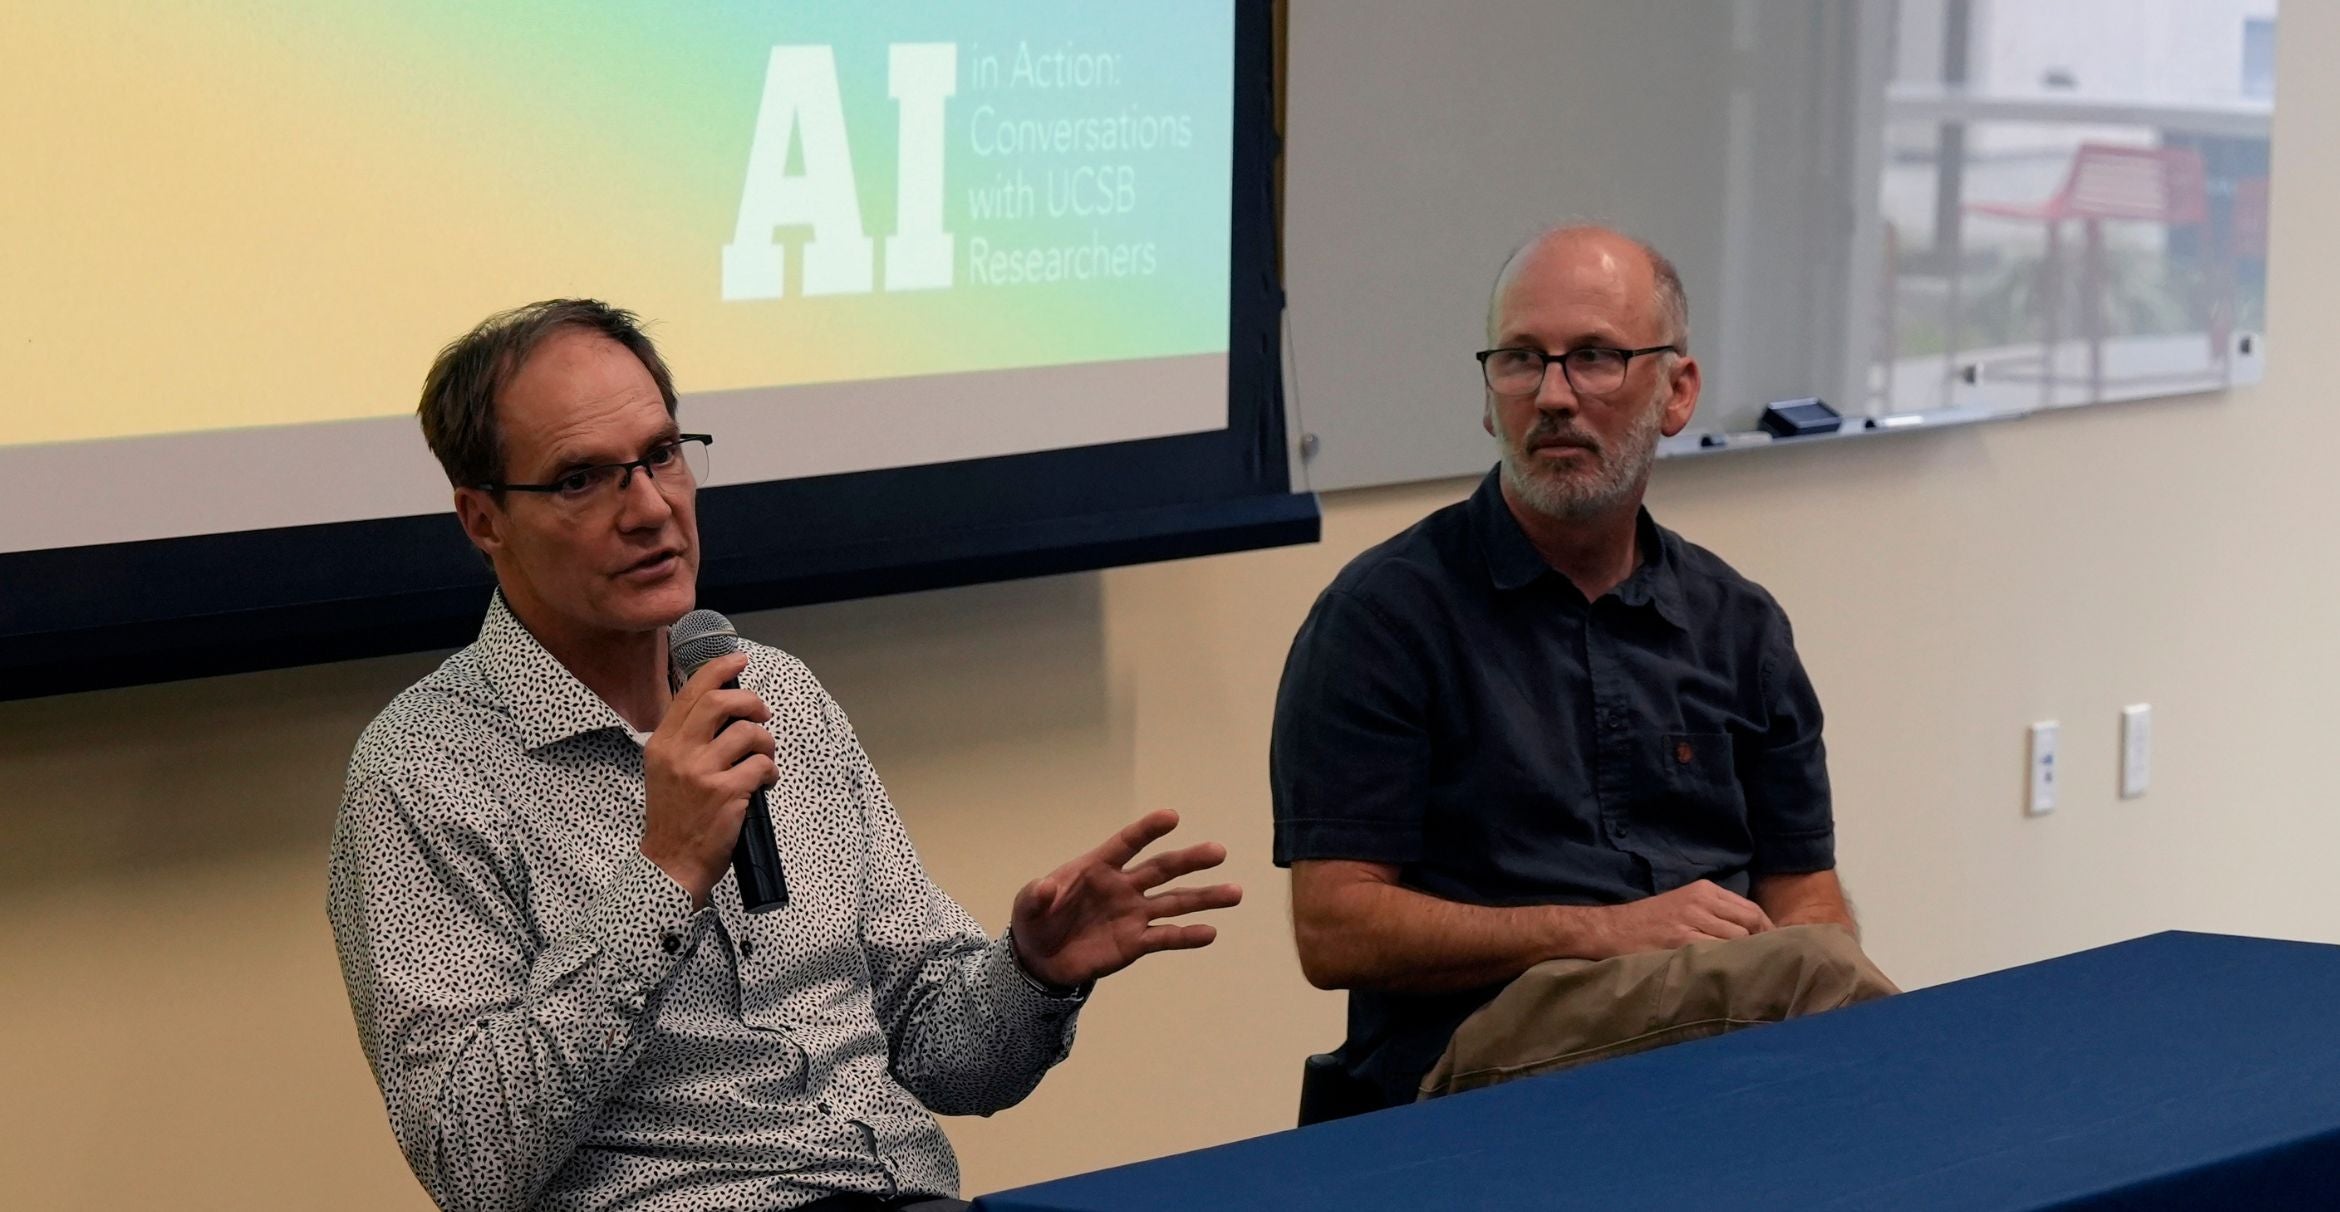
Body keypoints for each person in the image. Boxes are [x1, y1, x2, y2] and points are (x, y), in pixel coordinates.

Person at [328, 299, 1240, 1212]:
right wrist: (666, 875)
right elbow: (471, 1161)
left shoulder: (779, 694)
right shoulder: (421, 772)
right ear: (483, 519)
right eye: (580, 480)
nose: (650, 508)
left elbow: (946, 1056)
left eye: (662, 454)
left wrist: (1031, 973)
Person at [1270, 225, 1894, 1114]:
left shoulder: (1740, 625)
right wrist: (1604, 932)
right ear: (1489, 399)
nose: (1553, 396)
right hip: (1476, 1066)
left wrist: (1773, 968)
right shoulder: (1383, 619)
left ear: (1677, 391)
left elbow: (1807, 894)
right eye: (1521, 360)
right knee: (1824, 984)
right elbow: (1335, 928)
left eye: (1595, 358)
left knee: (1817, 974)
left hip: (1717, 1037)